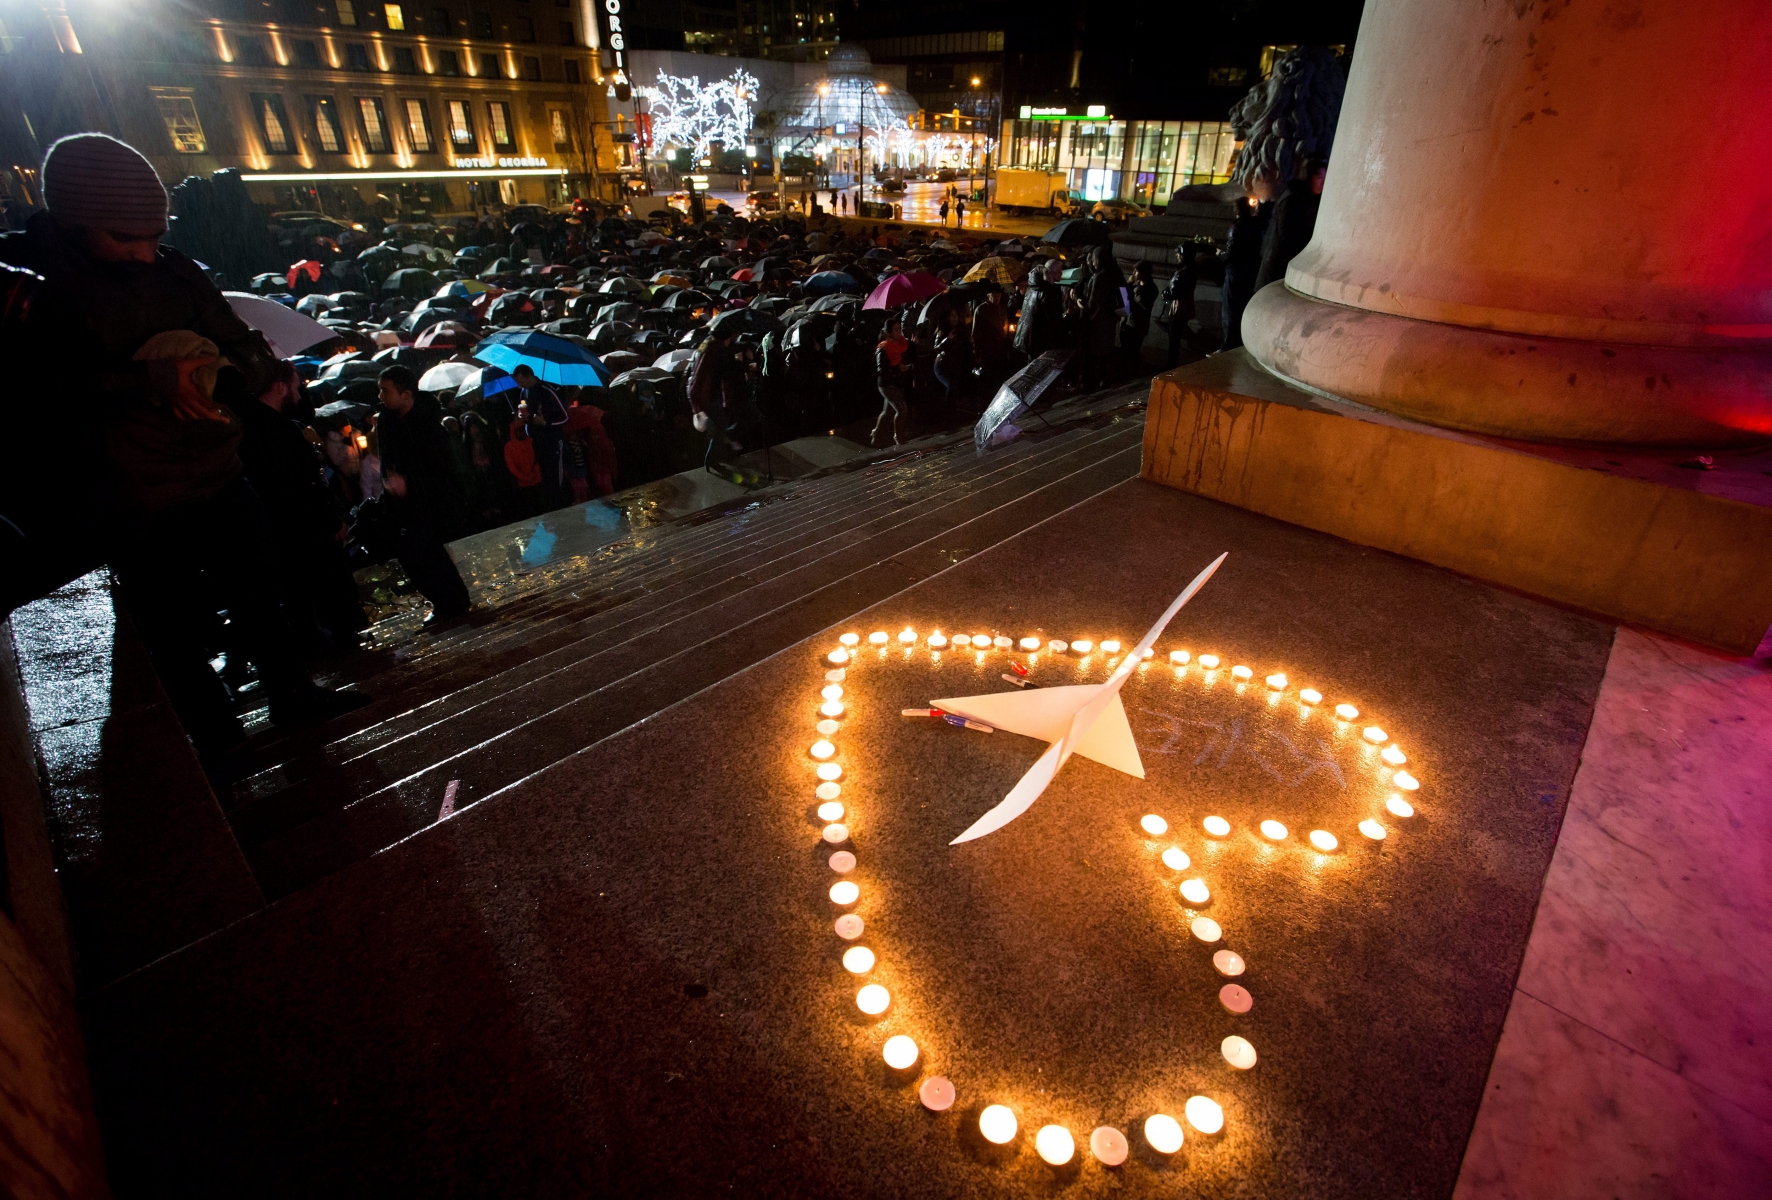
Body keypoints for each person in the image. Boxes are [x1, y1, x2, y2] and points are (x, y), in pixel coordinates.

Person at [0, 133, 366, 755]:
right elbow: (30, 394)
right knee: (167, 623)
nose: (145, 254)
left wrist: (215, 370)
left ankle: (291, 692)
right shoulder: (27, 287)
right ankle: (212, 735)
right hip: (124, 491)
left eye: (154, 236)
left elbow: (250, 350)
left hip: (217, 471)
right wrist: (141, 381)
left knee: (259, 592)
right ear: (72, 219)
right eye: (124, 238)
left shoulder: (179, 273)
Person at [237, 360, 368, 652]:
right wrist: (329, 520)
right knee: (321, 589)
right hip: (303, 530)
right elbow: (300, 484)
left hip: (287, 530)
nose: (299, 394)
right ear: (280, 388)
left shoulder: (254, 427)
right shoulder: (278, 431)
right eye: (296, 387)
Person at [375, 365, 472, 625]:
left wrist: (409, 484)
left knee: (424, 552)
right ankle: (449, 602)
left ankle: (451, 603)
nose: (381, 397)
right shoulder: (387, 421)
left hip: (430, 502)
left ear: (406, 394)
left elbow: (439, 470)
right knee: (417, 554)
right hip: (402, 503)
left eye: (386, 391)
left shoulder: (429, 426)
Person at [511, 363, 569, 509]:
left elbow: (565, 417)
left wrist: (545, 422)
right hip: (536, 440)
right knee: (545, 475)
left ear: (529, 376)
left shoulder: (548, 390)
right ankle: (552, 508)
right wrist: (522, 416)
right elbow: (524, 409)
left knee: (556, 475)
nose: (519, 384)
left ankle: (564, 505)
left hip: (553, 439)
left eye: (521, 381)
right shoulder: (524, 392)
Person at [871, 316, 913, 447]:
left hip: (895, 382)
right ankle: (898, 437)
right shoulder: (883, 348)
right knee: (901, 409)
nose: (899, 332)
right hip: (887, 383)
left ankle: (876, 434)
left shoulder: (900, 344)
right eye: (896, 330)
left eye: (899, 329)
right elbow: (882, 370)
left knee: (888, 411)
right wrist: (897, 369)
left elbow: (906, 355)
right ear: (889, 332)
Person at [1014, 260, 1064, 361]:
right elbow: (1054, 318)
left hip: (1030, 338)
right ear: (1051, 273)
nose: (1061, 274)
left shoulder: (1034, 286)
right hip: (1039, 340)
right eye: (1059, 272)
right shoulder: (1047, 291)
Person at [1160, 242, 1200, 368]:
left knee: (1174, 338)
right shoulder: (1191, 268)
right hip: (1185, 305)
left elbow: (1174, 290)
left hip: (1178, 307)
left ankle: (1171, 364)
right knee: (1175, 337)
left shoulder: (1183, 271)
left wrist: (1166, 293)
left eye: (1178, 253)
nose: (1177, 255)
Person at [1118, 260, 1159, 373]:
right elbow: (1124, 298)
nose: (1134, 273)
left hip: (1138, 325)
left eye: (1137, 271)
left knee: (1133, 351)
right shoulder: (1135, 286)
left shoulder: (1150, 288)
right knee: (1124, 350)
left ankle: (1132, 372)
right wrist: (1128, 285)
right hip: (1127, 322)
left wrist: (1135, 290)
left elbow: (1143, 304)